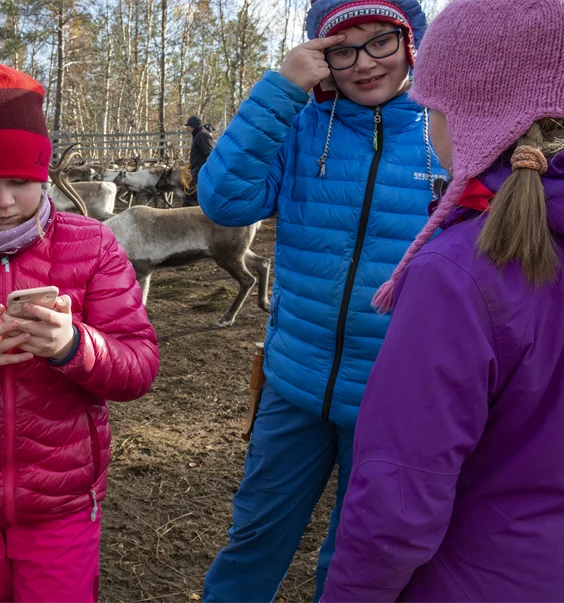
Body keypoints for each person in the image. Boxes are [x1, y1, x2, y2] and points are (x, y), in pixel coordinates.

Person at [322, 0, 564, 601]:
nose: (426, 121)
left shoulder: (455, 272)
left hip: (466, 580)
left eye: (433, 108)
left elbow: (401, 499)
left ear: (477, 118)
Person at [197, 0, 444, 600]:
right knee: (255, 535)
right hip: (294, 383)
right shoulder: (302, 127)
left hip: (393, 398)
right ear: (318, 57)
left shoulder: (447, 133)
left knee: (355, 553)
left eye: (380, 41)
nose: (363, 63)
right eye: (342, 48)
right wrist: (279, 90)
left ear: (413, 41)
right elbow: (225, 201)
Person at [0, 62, 160, 603]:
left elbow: (138, 366)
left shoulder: (91, 246)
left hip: (62, 500)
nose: (4, 202)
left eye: (21, 182)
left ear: (43, 175)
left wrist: (74, 347)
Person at [184, 115, 214, 207]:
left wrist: (206, 169)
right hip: (198, 170)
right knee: (192, 195)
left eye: (188, 126)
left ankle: (188, 217)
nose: (188, 128)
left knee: (190, 196)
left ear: (192, 126)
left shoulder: (202, 135)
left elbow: (209, 153)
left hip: (201, 172)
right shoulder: (199, 135)